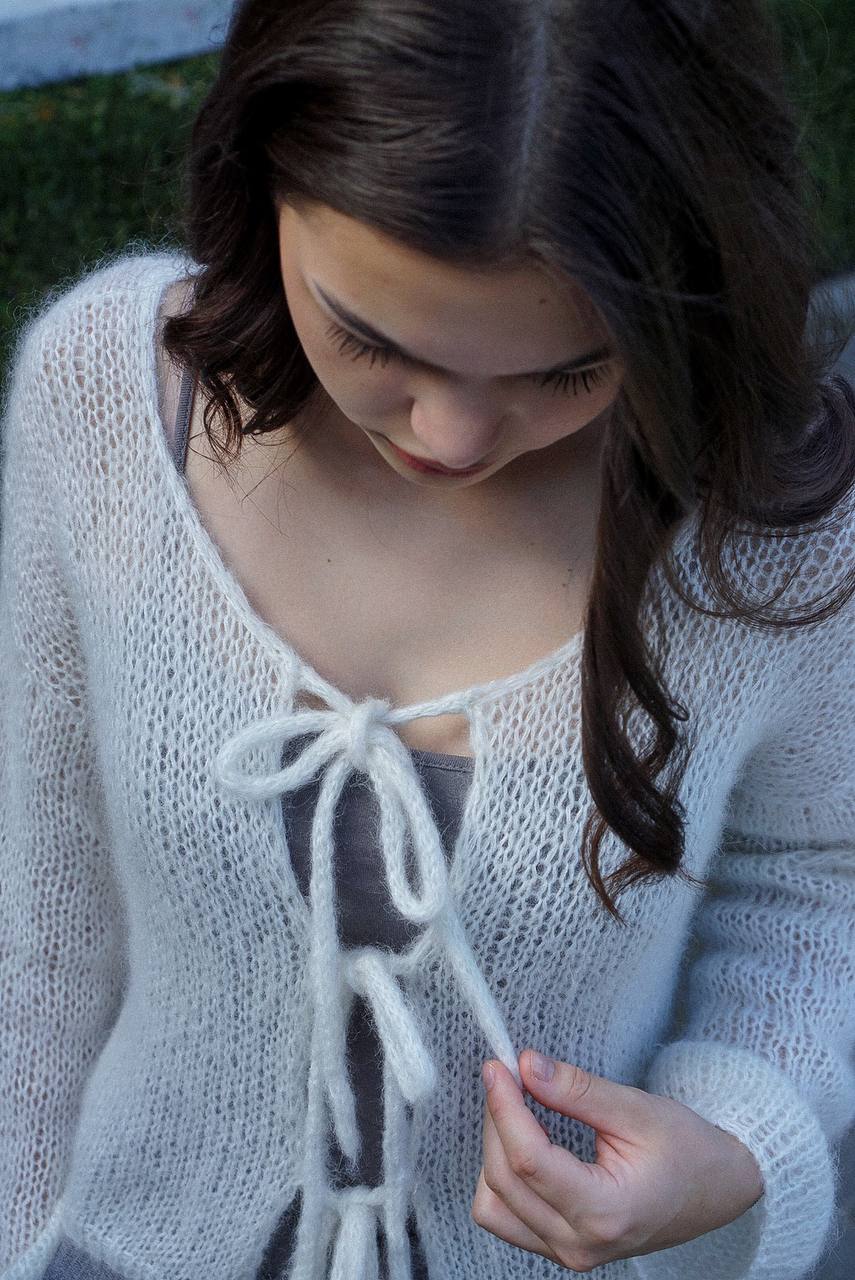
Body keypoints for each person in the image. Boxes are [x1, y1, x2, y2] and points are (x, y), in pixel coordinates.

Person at [2, 0, 854, 1277]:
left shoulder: (780, 527)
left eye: (567, 370)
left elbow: (817, 874)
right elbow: (37, 911)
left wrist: (738, 1139)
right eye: (370, 336)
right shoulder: (108, 398)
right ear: (259, 175)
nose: (450, 437)